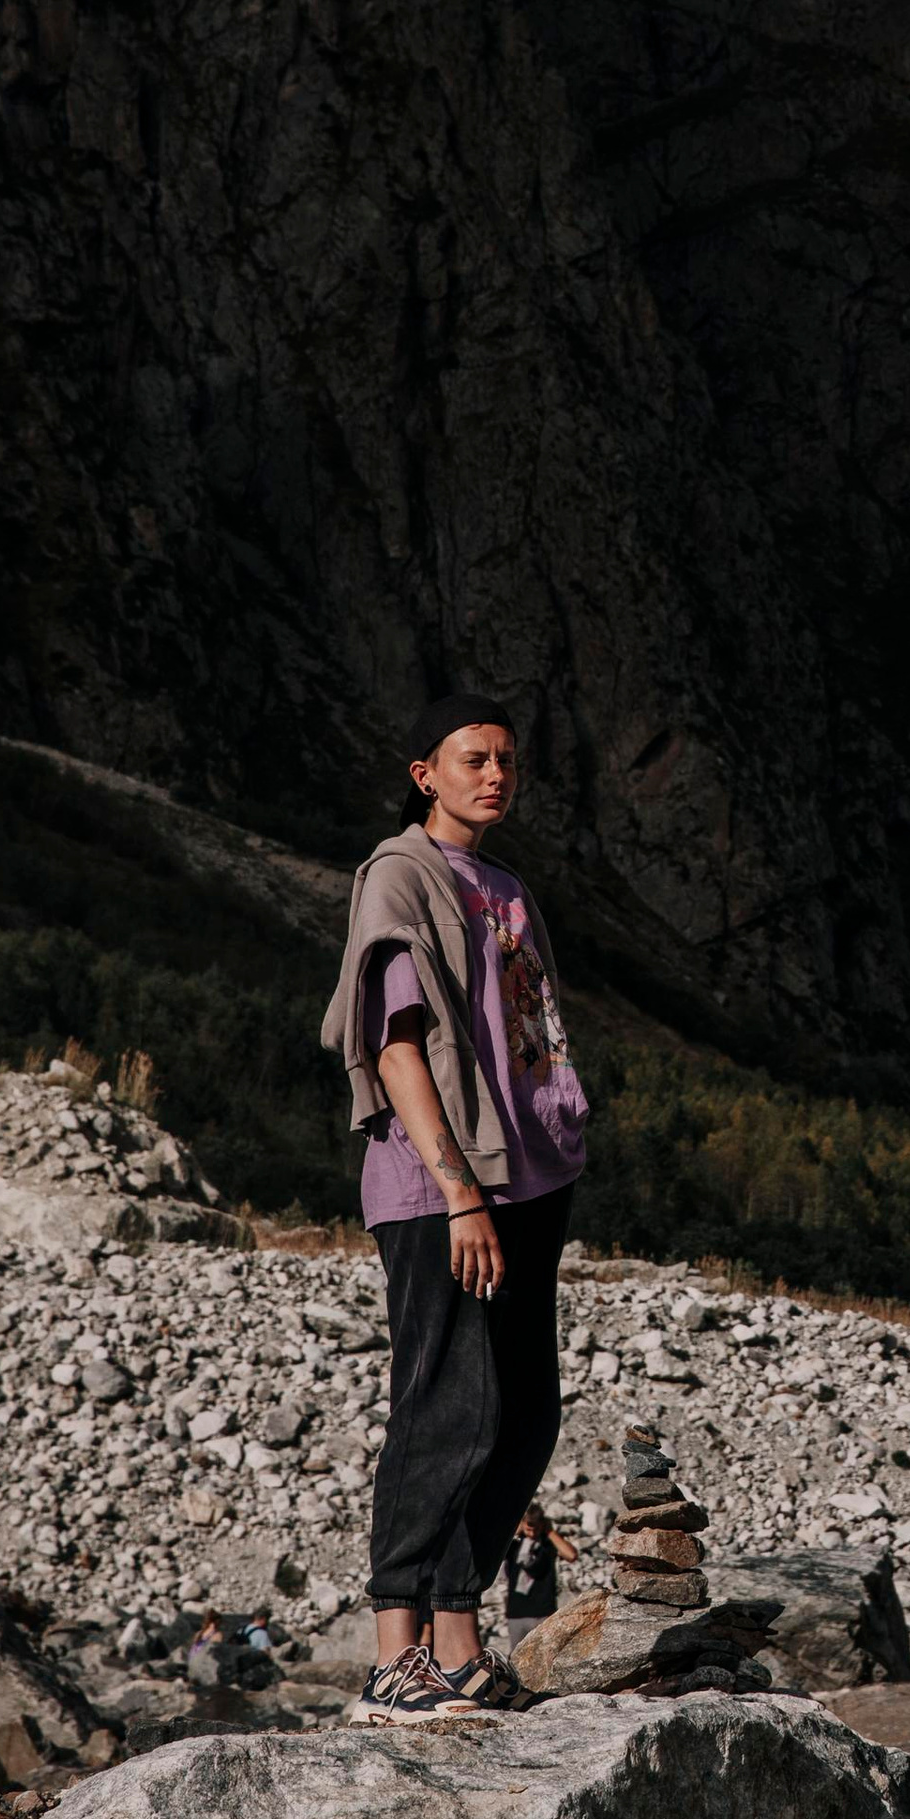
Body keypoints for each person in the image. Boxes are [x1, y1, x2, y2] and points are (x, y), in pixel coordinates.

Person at [320, 692, 589, 1724]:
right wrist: (458, 1192)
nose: (493, 775)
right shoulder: (401, 876)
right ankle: (397, 1655)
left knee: (522, 1413)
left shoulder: (507, 888)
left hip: (529, 1181)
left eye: (506, 762)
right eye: (472, 759)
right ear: (423, 773)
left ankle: (461, 1643)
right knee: (446, 1403)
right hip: (446, 1191)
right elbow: (395, 1047)